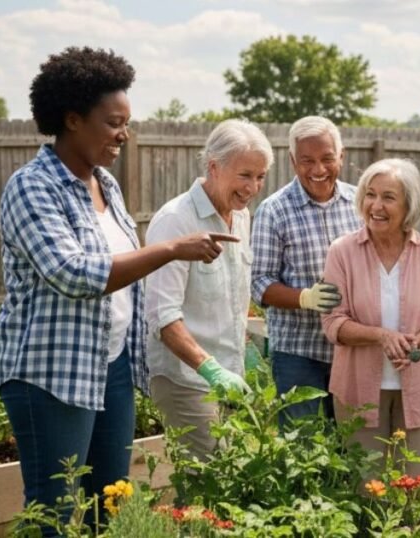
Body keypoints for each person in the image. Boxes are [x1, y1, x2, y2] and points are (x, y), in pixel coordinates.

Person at [0, 47, 234, 532]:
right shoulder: (32, 187)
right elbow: (73, 274)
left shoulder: (106, 185)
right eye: (113, 123)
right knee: (55, 511)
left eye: (127, 123)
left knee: (110, 503)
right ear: (72, 120)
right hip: (51, 372)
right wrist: (171, 248)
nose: (124, 134)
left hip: (111, 364)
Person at [145, 119, 273, 459]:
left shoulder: (241, 217)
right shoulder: (176, 220)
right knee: (211, 476)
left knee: (227, 475)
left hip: (229, 378)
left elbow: (233, 297)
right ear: (214, 167)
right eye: (245, 175)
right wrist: (210, 369)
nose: (253, 187)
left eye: (260, 176)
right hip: (187, 378)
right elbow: (161, 315)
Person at [321, 159, 420, 477]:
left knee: (414, 484)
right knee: (366, 489)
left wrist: (418, 340)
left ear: (409, 205)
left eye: (388, 197)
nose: (376, 206)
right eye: (370, 195)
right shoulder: (342, 251)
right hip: (358, 389)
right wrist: (381, 336)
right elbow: (333, 322)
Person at [251, 116, 362, 423]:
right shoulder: (274, 210)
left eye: (327, 158)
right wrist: (305, 298)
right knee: (302, 442)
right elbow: (259, 283)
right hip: (298, 352)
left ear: (341, 156)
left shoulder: (361, 203)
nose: (318, 169)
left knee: (352, 442)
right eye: (307, 161)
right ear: (292, 161)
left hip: (352, 347)